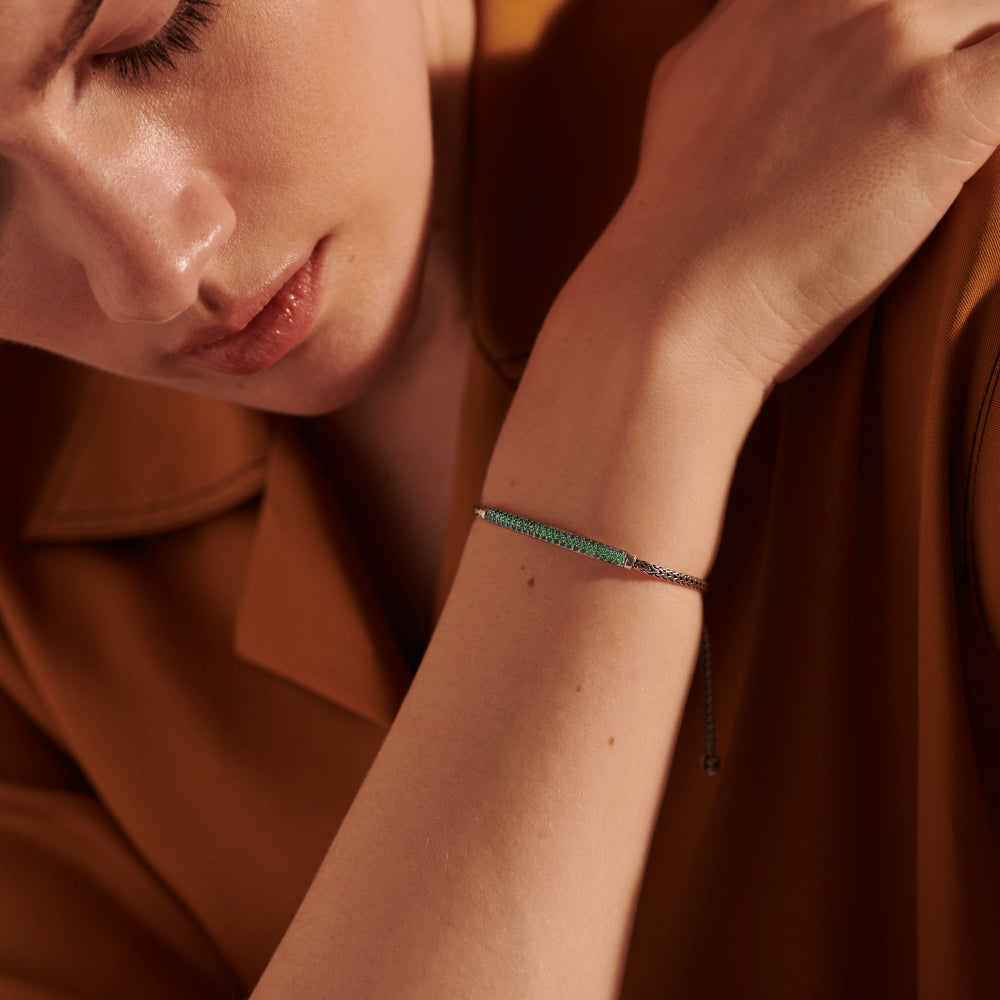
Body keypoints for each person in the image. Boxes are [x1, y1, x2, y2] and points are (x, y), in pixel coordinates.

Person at [1, 0, 1000, 996]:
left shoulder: (946, 166)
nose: (154, 273)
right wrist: (652, 360)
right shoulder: (26, 607)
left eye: (159, 35)